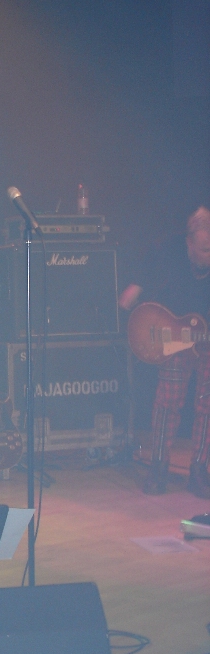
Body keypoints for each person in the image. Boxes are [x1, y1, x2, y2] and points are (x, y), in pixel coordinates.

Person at [120, 205, 210, 497]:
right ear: (189, 241)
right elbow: (143, 270)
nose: (207, 254)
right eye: (203, 249)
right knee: (167, 402)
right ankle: (158, 467)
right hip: (175, 336)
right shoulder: (169, 250)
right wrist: (135, 289)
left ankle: (199, 469)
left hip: (206, 338)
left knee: (207, 404)